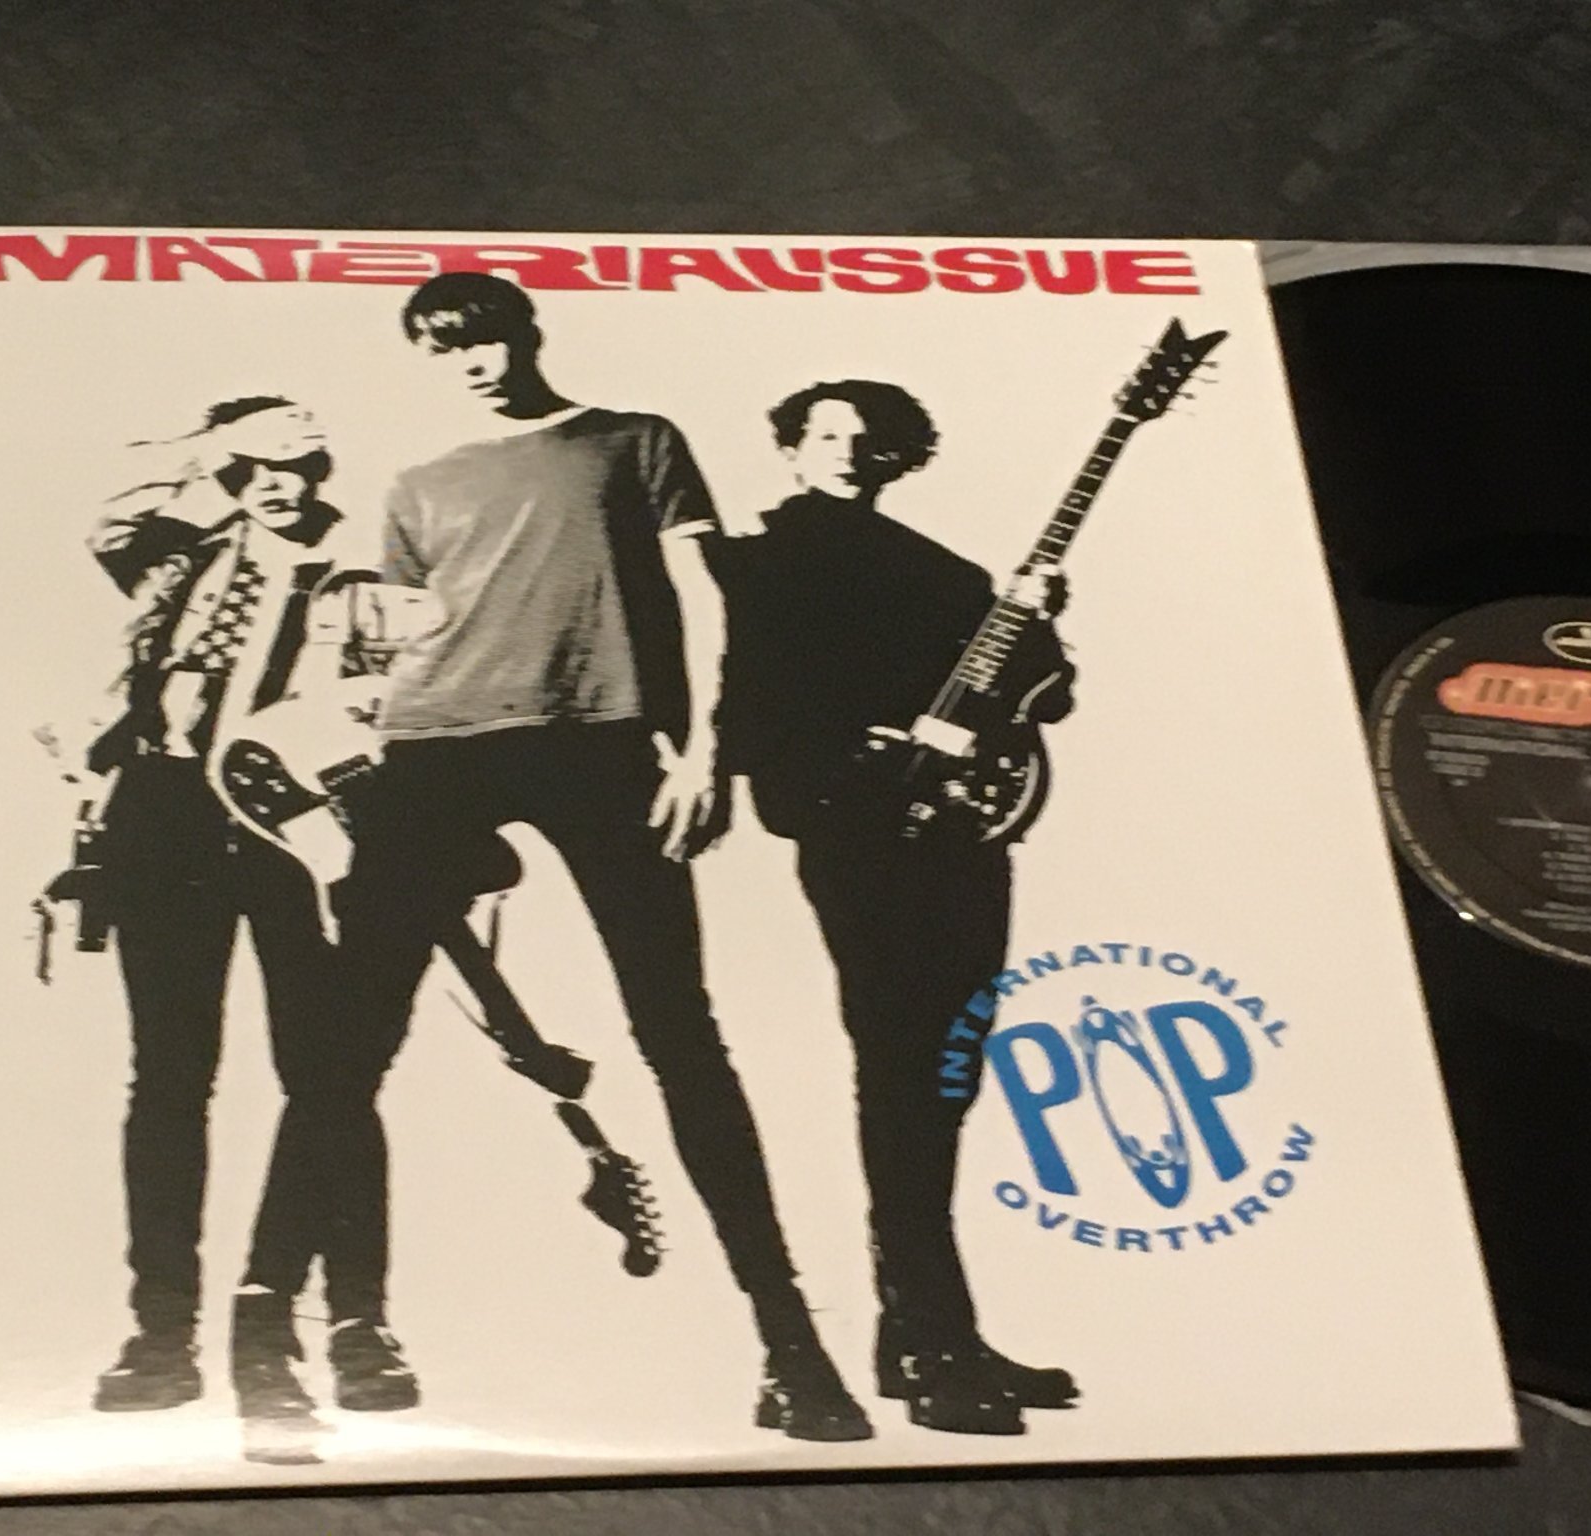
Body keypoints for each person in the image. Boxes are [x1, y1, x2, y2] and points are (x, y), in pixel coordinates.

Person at [327, 271, 871, 1441]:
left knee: (680, 1036)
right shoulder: (418, 482)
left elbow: (706, 600)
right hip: (434, 748)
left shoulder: (633, 440)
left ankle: (791, 1347)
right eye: (444, 349)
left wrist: (706, 751)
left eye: (482, 338)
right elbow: (392, 646)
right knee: (353, 1039)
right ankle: (342, 1330)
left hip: (603, 744)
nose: (470, 363)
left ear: (526, 333)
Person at [714, 379, 1080, 1435]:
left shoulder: (944, 571)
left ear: (897, 458)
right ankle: (930, 1344)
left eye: (865, 437)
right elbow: (738, 708)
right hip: (858, 835)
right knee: (901, 1067)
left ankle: (922, 1329)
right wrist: (846, 757)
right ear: (791, 449)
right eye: (823, 433)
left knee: (947, 1073)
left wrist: (1036, 620)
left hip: (966, 837)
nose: (844, 449)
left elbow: (1043, 694)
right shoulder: (754, 564)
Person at [69, 397, 416, 1449]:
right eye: (252, 467)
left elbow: (398, 701)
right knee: (169, 1080)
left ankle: (355, 1323)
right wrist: (206, 451)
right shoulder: (180, 557)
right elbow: (112, 520)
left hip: (293, 823)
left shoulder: (361, 574)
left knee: (330, 1077)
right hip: (162, 817)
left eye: (296, 464)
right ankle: (159, 1334)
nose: (276, 483)